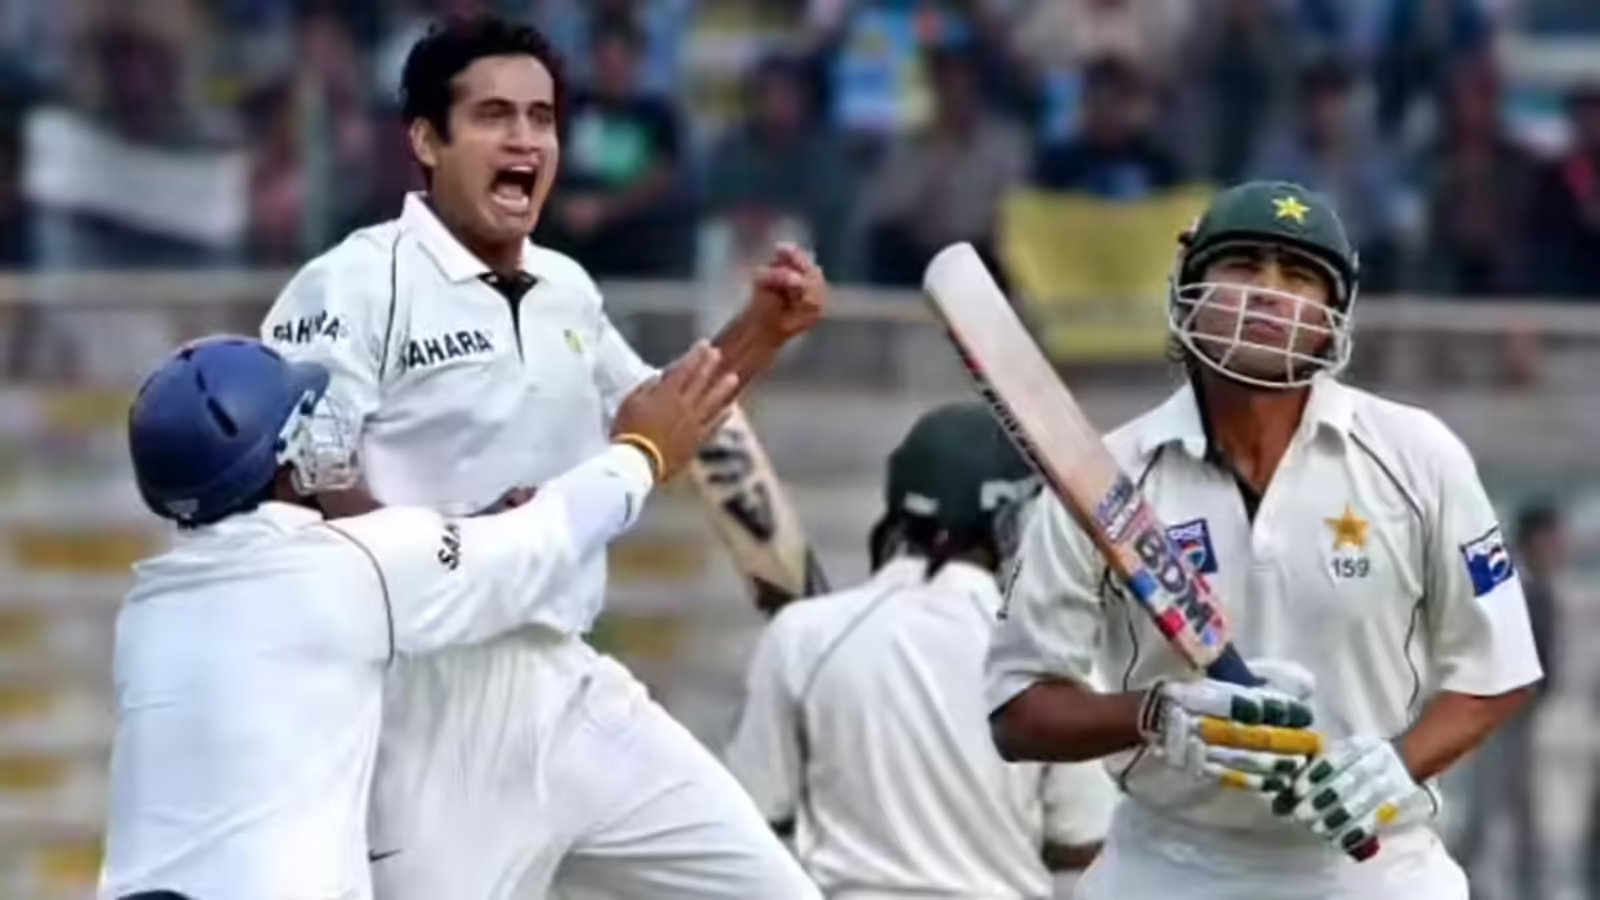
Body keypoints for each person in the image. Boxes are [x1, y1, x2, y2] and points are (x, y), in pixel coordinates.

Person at [258, 14, 827, 900]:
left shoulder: (567, 286)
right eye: (494, 115)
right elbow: (300, 479)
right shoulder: (351, 282)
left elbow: (654, 426)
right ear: (427, 140)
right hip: (429, 706)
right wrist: (455, 548)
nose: (526, 139)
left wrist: (760, 331)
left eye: (542, 118)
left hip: (570, 681)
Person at [986, 180, 1543, 900]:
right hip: (1167, 865)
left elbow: (1499, 670)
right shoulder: (1106, 477)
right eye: (1244, 265)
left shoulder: (1418, 456)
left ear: (1333, 317)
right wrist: (1157, 712)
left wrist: (1396, 766)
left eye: (1299, 275)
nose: (1269, 293)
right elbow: (1019, 711)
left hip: (1375, 870)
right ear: (1189, 290)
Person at [98, 335, 738, 900]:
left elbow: (343, 585)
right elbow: (545, 537)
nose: (322, 433)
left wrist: (471, 530)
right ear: (277, 457)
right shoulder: (349, 570)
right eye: (303, 420)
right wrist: (641, 451)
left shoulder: (150, 606)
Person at [723, 402, 1117, 900]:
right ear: (1010, 521)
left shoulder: (801, 636)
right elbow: (1083, 839)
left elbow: (749, 819)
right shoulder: (1051, 655)